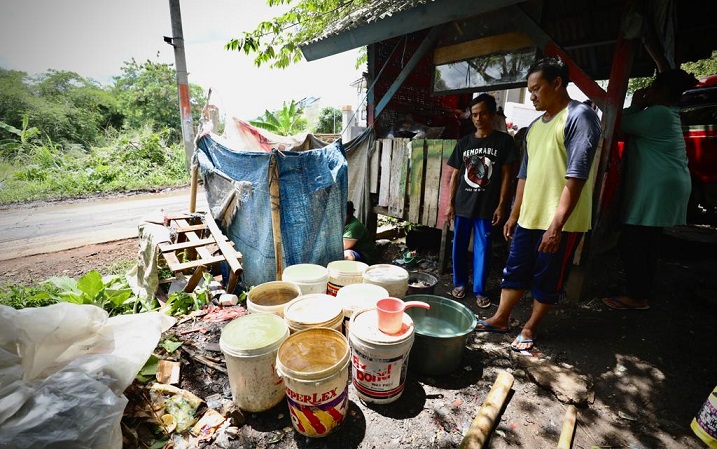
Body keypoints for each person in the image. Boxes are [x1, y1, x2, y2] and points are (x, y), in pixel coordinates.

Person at [474, 56, 601, 352]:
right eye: (529, 90)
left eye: (536, 88)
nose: (531, 95)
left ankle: (530, 328)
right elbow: (524, 175)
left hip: (561, 221)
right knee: (514, 269)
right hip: (529, 217)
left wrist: (556, 225)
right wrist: (513, 213)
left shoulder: (580, 117)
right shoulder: (533, 127)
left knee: (548, 277)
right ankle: (501, 318)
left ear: (557, 83)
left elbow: (576, 176)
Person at [602, 69, 698, 310]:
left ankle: (637, 297)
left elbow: (616, 121)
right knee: (648, 240)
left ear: (662, 91)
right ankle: (640, 292)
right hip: (666, 183)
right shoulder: (668, 114)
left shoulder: (658, 114)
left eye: (652, 88)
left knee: (633, 241)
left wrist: (636, 104)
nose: (648, 92)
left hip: (657, 185)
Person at [445, 93, 517, 308]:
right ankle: (459, 283)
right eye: (474, 115)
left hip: (486, 207)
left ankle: (479, 289)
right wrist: (450, 204)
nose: (477, 119)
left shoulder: (503, 141)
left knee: (483, 249)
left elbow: (507, 176)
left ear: (492, 114)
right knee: (458, 246)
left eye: (482, 114)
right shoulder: (464, 142)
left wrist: (502, 204)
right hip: (463, 204)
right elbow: (455, 176)